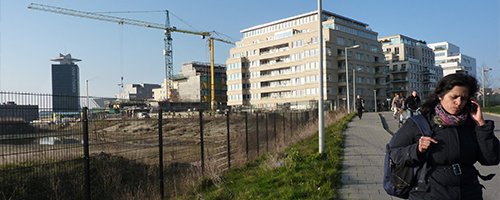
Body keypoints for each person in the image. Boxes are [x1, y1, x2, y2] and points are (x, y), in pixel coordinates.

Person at [388, 73, 499, 199]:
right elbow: (394, 153)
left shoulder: (471, 124)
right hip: (430, 193)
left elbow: (491, 159)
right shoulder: (419, 123)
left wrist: (481, 124)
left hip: (469, 193)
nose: (459, 103)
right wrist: (417, 150)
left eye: (464, 98)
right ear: (440, 96)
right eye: (454, 97)